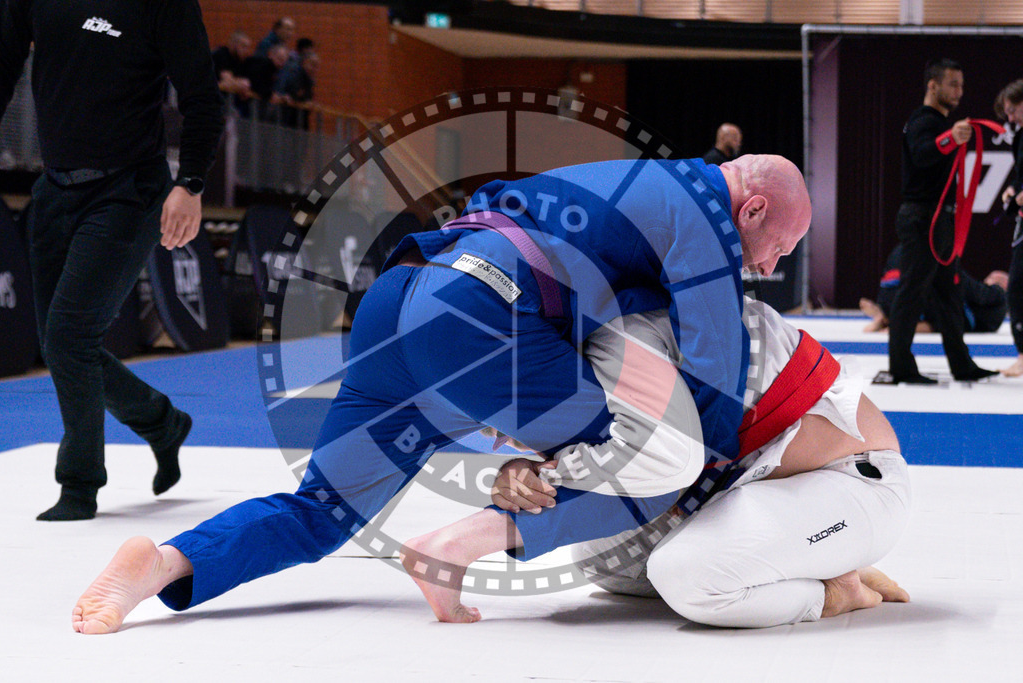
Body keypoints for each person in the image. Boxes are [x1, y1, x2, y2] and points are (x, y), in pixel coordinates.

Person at [71, 155, 811, 634]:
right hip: (485, 323)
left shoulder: (621, 179)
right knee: (663, 460)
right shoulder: (705, 216)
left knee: (322, 514)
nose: (774, 264)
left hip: (403, 302)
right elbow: (715, 379)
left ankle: (165, 563)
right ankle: (462, 543)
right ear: (748, 209)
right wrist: (719, 484)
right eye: (780, 244)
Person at [487, 298, 910, 628]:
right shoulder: (595, 343)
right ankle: (802, 557)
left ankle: (837, 591)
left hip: (854, 480)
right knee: (602, 560)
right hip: (764, 487)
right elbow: (608, 454)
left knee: (687, 579)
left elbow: (661, 459)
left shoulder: (629, 337)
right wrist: (524, 470)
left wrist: (547, 473)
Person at [0, 0, 224, 520]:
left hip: (130, 189)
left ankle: (79, 485)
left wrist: (189, 184)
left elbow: (202, 99)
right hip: (53, 189)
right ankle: (162, 423)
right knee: (64, 345)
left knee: (69, 338)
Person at [886, 59, 997, 384]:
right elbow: (922, 154)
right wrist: (950, 138)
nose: (959, 92)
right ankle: (902, 367)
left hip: (935, 221)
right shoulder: (924, 121)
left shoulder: (934, 122)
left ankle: (962, 365)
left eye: (961, 85)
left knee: (950, 295)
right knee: (911, 293)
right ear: (932, 86)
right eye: (953, 84)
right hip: (924, 220)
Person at [860, 244, 1008, 334]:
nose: (985, 280)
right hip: (911, 299)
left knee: (937, 318)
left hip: (899, 296)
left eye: (989, 279)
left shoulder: (997, 296)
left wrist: (952, 274)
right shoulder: (991, 311)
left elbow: (973, 290)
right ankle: (890, 320)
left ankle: (889, 318)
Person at [994, 79, 1023, 377]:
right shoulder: (1019, 138)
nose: (1010, 118)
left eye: (1014, 110)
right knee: (1017, 287)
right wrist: (1012, 191)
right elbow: (1019, 177)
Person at [274, 51, 319, 129]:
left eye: (316, 66)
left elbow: (307, 97)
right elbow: (293, 94)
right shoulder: (294, 74)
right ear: (304, 62)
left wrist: (309, 103)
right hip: (286, 118)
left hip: (300, 120)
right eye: (312, 65)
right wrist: (305, 101)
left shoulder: (309, 80)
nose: (314, 69)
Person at [211, 30, 255, 102]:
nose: (246, 51)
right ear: (233, 44)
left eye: (247, 47)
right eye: (243, 46)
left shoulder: (238, 60)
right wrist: (241, 85)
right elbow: (228, 82)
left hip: (222, 99)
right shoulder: (221, 54)